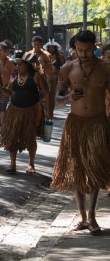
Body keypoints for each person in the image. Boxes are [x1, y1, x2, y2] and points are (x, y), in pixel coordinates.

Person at [51, 30, 110, 235]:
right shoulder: (67, 68)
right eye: (79, 50)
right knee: (76, 170)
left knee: (94, 168)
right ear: (75, 47)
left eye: (87, 50)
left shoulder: (105, 68)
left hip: (98, 124)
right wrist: (69, 97)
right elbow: (56, 100)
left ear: (95, 45)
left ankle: (92, 216)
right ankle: (82, 217)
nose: (83, 54)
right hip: (75, 125)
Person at [0, 51, 50, 174]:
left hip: (31, 111)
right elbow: (10, 92)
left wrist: (49, 110)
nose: (18, 66)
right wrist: (1, 90)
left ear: (28, 65)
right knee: (12, 137)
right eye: (17, 64)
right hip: (14, 111)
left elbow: (46, 93)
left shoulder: (36, 76)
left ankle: (31, 164)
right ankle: (13, 164)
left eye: (20, 64)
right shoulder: (15, 77)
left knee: (31, 137)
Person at [29, 36, 56, 117]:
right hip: (31, 82)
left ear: (41, 44)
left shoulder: (47, 55)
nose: (36, 46)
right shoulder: (28, 54)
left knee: (43, 104)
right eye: (35, 44)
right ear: (32, 44)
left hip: (43, 82)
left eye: (38, 44)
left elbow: (50, 71)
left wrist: (44, 64)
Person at [0, 41, 14, 126]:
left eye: (0, 50)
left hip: (5, 88)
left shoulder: (11, 62)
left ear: (6, 52)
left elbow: (13, 75)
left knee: (2, 107)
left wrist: (9, 87)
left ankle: (2, 126)